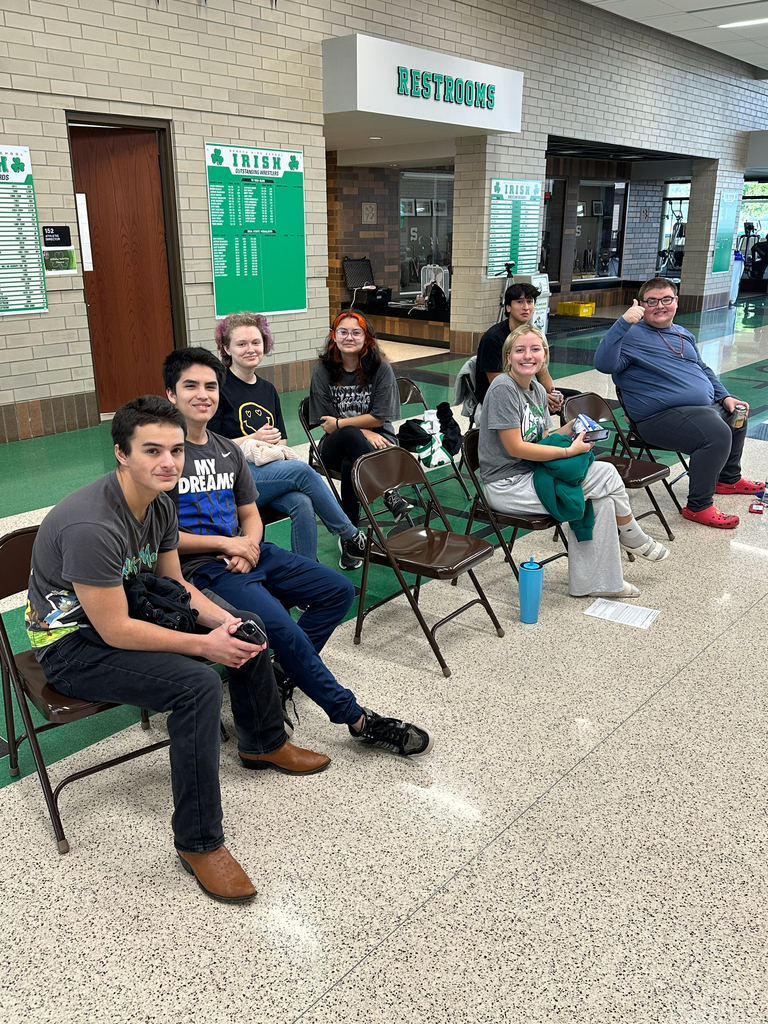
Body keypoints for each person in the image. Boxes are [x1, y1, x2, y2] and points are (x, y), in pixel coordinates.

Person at [24, 396, 330, 906]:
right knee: (197, 685)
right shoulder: (91, 524)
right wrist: (203, 644)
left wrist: (224, 623)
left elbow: (173, 583)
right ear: (121, 453)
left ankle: (263, 740)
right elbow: (116, 629)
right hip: (71, 644)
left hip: (128, 610)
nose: (168, 462)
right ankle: (200, 842)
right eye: (151, 451)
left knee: (248, 627)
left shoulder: (159, 500)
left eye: (174, 450)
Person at [163, 348, 434, 759]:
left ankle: (281, 674)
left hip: (249, 551)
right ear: (171, 395)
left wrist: (248, 543)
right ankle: (357, 719)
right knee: (281, 630)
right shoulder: (164, 455)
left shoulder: (228, 449)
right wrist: (227, 544)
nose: (203, 395)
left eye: (211, 386)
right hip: (205, 571)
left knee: (337, 592)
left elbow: (249, 513)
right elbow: (162, 538)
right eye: (191, 386)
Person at [478, 325, 669, 599]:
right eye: (519, 350)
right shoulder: (502, 388)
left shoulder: (536, 390)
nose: (527, 356)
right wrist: (569, 452)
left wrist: (569, 429)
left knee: (602, 500)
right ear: (508, 356)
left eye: (535, 349)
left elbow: (540, 436)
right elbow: (517, 447)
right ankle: (632, 535)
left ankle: (598, 583)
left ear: (544, 355)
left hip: (533, 476)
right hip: (507, 485)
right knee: (605, 473)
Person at [594, 277, 761, 529]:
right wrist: (622, 323)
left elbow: (703, 369)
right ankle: (698, 506)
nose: (660, 306)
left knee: (736, 415)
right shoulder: (630, 335)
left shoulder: (683, 333)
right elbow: (603, 364)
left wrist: (725, 396)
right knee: (715, 433)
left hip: (699, 410)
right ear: (640, 304)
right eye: (652, 301)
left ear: (676, 302)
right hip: (658, 418)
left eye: (666, 299)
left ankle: (727, 479)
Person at [209, 312, 367, 571]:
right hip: (231, 480)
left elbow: (281, 441)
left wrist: (270, 446)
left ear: (265, 344)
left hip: (265, 474)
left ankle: (305, 574)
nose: (251, 349)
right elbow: (210, 445)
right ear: (226, 348)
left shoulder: (268, 389)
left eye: (256, 342)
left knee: (302, 502)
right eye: (242, 344)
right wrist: (254, 438)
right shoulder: (218, 388)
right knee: (302, 472)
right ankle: (350, 535)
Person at [309, 310, 413, 528]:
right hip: (334, 444)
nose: (349, 337)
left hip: (380, 442)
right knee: (348, 434)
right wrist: (361, 431)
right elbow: (328, 424)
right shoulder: (322, 372)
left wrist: (345, 424)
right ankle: (388, 491)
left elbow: (379, 417)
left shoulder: (381, 369)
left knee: (351, 465)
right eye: (343, 332)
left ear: (367, 337)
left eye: (356, 333)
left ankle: (351, 537)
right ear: (333, 336)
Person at [475, 283, 568, 413]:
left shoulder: (532, 334)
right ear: (508, 307)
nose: (525, 307)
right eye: (519, 302)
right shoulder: (493, 338)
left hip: (525, 389)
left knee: (572, 400)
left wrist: (552, 394)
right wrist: (538, 397)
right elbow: (497, 384)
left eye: (529, 302)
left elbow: (542, 372)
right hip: (498, 396)